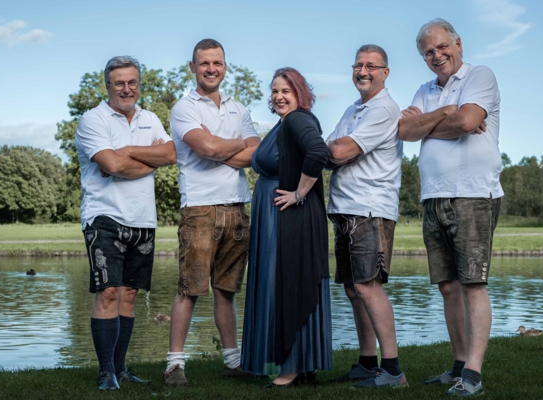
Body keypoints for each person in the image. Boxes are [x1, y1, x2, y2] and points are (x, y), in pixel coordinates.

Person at [398, 18, 502, 397]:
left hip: (473, 194)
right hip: (433, 196)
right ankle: (458, 364)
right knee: (447, 286)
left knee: (472, 284)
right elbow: (404, 131)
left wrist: (434, 121)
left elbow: (468, 120)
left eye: (442, 46)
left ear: (458, 44)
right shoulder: (425, 89)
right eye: (428, 51)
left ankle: (472, 375)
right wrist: (447, 114)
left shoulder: (479, 76)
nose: (437, 55)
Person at [76, 55, 177, 390]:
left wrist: (128, 151)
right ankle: (106, 373)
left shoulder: (150, 118)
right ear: (107, 85)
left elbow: (170, 154)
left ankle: (121, 370)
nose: (126, 89)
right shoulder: (93, 120)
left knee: (129, 294)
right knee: (108, 293)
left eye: (132, 82)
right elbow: (112, 166)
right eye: (119, 83)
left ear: (139, 84)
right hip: (104, 217)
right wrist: (147, 158)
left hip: (143, 219)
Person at [163, 39, 260, 386]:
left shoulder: (238, 108)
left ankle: (233, 363)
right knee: (189, 289)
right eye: (204, 63)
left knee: (226, 291)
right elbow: (204, 147)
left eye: (217, 63)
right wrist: (233, 145)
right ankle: (174, 366)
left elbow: (257, 154)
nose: (211, 69)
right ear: (193, 67)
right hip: (200, 210)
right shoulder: (184, 108)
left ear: (225, 67)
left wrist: (220, 147)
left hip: (237, 208)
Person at [241, 67, 333, 388]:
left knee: (288, 284)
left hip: (290, 218)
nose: (279, 97)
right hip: (280, 217)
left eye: (286, 91)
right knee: (288, 282)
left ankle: (291, 369)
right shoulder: (286, 124)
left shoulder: (297, 119)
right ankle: (302, 365)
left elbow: (318, 152)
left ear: (300, 94)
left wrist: (298, 193)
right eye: (275, 91)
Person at [326, 44, 406, 388]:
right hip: (345, 209)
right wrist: (335, 152)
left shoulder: (384, 109)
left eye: (371, 66)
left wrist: (337, 152)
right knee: (352, 288)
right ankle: (366, 362)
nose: (362, 71)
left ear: (385, 73)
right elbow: (328, 152)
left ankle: (393, 370)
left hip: (369, 209)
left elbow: (339, 149)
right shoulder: (352, 110)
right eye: (358, 65)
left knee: (367, 286)